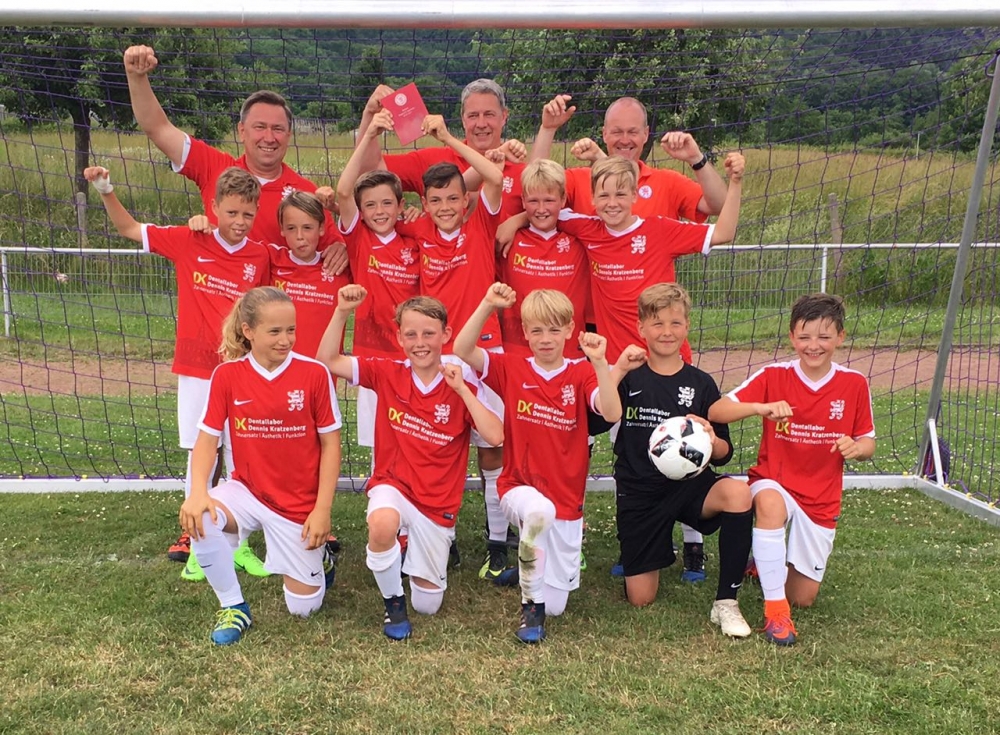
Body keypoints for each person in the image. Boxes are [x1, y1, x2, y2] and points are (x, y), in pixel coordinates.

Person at [84, 164, 272, 581]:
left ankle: (238, 545)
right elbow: (129, 228)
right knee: (201, 456)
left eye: (247, 214)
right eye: (231, 212)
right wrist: (106, 189)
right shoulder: (190, 240)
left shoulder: (261, 256)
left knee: (242, 456)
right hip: (198, 370)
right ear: (214, 207)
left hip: (243, 371)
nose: (239, 222)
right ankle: (199, 545)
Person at [317, 286, 503, 640]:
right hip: (394, 485)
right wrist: (342, 311)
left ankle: (415, 554)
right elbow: (328, 359)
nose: (420, 343)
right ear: (399, 337)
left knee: (428, 604)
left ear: (446, 335)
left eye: (429, 334)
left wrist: (462, 390)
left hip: (436, 502)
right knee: (382, 523)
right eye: (411, 334)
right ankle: (393, 603)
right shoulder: (388, 371)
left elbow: (495, 436)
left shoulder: (460, 381)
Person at [453, 283, 621, 643]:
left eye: (554, 330)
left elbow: (611, 412)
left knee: (558, 604)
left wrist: (600, 364)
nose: (546, 339)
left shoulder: (581, 373)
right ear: (525, 332)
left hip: (567, 499)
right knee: (539, 513)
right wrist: (487, 303)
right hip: (518, 488)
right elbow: (462, 349)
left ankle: (530, 569)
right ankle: (531, 609)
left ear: (570, 330)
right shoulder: (511, 368)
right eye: (537, 330)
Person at [708, 293, 876, 646]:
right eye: (805, 337)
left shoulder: (854, 383)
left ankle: (764, 563)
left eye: (824, 337)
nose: (814, 346)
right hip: (774, 481)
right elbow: (717, 411)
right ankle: (776, 614)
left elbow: (868, 443)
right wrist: (760, 407)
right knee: (769, 503)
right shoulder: (774, 375)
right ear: (791, 337)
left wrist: (856, 448)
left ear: (840, 337)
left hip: (821, 496)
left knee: (804, 597)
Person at [179, 287, 342, 645]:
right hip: (248, 491)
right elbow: (206, 440)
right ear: (248, 331)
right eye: (275, 331)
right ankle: (234, 607)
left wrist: (322, 510)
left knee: (303, 609)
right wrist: (198, 492)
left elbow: (331, 445)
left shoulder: (314, 374)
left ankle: (321, 559)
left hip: (298, 503)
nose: (286, 340)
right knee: (200, 516)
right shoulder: (227, 375)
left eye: (291, 330)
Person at [392, 113, 511, 583]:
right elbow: (368, 218)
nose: (445, 207)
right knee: (435, 450)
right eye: (435, 200)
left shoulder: (480, 222)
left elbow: (495, 176)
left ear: (467, 200)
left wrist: (445, 137)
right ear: (423, 204)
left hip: (484, 353)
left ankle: (497, 544)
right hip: (433, 355)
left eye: (453, 198)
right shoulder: (417, 229)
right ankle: (442, 534)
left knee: (492, 450)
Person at [612, 283, 752, 638]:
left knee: (738, 493)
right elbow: (599, 417)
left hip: (691, 487)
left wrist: (712, 440)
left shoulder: (700, 383)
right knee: (640, 599)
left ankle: (726, 601)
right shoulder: (629, 378)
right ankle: (654, 549)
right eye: (657, 323)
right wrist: (614, 370)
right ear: (641, 328)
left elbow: (725, 453)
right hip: (640, 491)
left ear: (687, 326)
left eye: (675, 323)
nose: (667, 332)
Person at [122, 45, 345, 258]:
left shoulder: (306, 193)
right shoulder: (216, 168)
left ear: (288, 135)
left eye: (277, 129)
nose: (269, 138)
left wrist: (341, 249)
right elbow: (158, 128)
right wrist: (136, 77)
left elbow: (335, 247)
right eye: (260, 127)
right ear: (242, 131)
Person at [333, 108, 421, 454]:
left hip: (413, 353)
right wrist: (368, 135)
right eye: (370, 205)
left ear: (401, 206)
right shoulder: (359, 238)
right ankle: (380, 488)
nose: (379, 211)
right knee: (380, 443)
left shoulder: (414, 238)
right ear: (362, 210)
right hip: (372, 356)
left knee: (413, 436)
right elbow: (343, 192)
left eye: (387, 203)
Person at [189, 191, 351, 359]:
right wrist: (204, 225)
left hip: (324, 369)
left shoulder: (339, 264)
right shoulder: (269, 257)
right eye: (291, 228)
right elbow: (230, 243)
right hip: (275, 367)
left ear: (322, 228)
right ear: (282, 230)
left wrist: (346, 246)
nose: (299, 236)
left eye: (307, 228)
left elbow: (363, 240)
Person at [529, 94, 727, 221]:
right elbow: (536, 185)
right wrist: (548, 128)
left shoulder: (668, 183)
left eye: (632, 132)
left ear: (645, 134)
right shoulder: (580, 180)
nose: (624, 140)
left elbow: (719, 206)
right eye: (617, 132)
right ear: (604, 133)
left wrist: (696, 158)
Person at [358, 79, 527, 217]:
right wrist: (369, 114)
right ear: (463, 119)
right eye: (473, 115)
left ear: (504, 117)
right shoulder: (431, 161)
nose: (481, 124)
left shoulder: (522, 171)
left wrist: (517, 222)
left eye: (489, 114)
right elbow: (368, 171)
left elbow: (539, 214)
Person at [498, 159, 589, 360]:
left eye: (549, 201)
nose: (541, 209)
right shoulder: (508, 237)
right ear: (523, 201)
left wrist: (519, 218)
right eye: (533, 201)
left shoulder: (581, 238)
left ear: (563, 199)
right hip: (518, 353)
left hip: (569, 353)